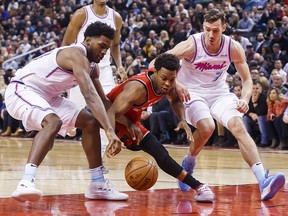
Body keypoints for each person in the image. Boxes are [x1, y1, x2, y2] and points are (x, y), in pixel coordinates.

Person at [150, 9, 285, 201]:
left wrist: (244, 100)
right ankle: (189, 161)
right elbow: (155, 63)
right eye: (207, 30)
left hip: (219, 93)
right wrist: (177, 83)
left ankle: (263, 181)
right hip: (192, 92)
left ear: (224, 28)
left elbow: (247, 80)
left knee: (238, 126)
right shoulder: (191, 45)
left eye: (215, 30)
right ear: (203, 27)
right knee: (208, 128)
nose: (211, 35)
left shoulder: (232, 47)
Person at [4, 22, 128, 202]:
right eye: (101, 46)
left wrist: (131, 125)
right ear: (87, 40)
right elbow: (89, 95)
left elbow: (103, 101)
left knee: (91, 122)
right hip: (22, 89)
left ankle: (98, 185)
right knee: (53, 121)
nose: (104, 52)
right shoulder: (75, 54)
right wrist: (109, 132)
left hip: (49, 97)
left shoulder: (93, 68)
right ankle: (25, 182)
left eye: (107, 49)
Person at [105, 53, 214, 202]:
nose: (168, 83)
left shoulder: (167, 83)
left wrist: (182, 119)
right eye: (164, 78)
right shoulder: (138, 88)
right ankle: (98, 181)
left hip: (130, 120)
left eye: (172, 79)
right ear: (155, 72)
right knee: (157, 150)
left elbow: (175, 100)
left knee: (160, 153)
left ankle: (199, 187)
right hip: (107, 115)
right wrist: (113, 136)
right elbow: (110, 111)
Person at [62, 0, 127, 96]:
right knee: (80, 109)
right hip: (80, 68)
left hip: (104, 70)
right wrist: (64, 70)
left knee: (109, 105)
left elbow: (115, 45)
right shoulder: (81, 14)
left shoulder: (116, 18)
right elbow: (66, 43)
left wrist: (119, 65)